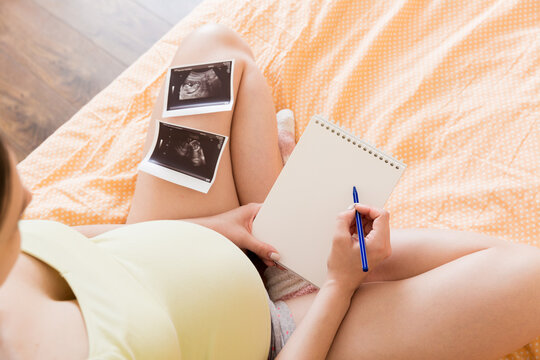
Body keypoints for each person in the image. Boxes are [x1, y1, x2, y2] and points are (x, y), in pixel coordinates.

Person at [0, 23, 539, 360]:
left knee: (213, 52)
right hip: (275, 336)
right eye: (15, 212)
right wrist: (338, 287)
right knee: (530, 278)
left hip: (165, 238)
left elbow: (77, 243)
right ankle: (298, 263)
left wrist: (218, 227)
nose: (30, 195)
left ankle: (283, 231)